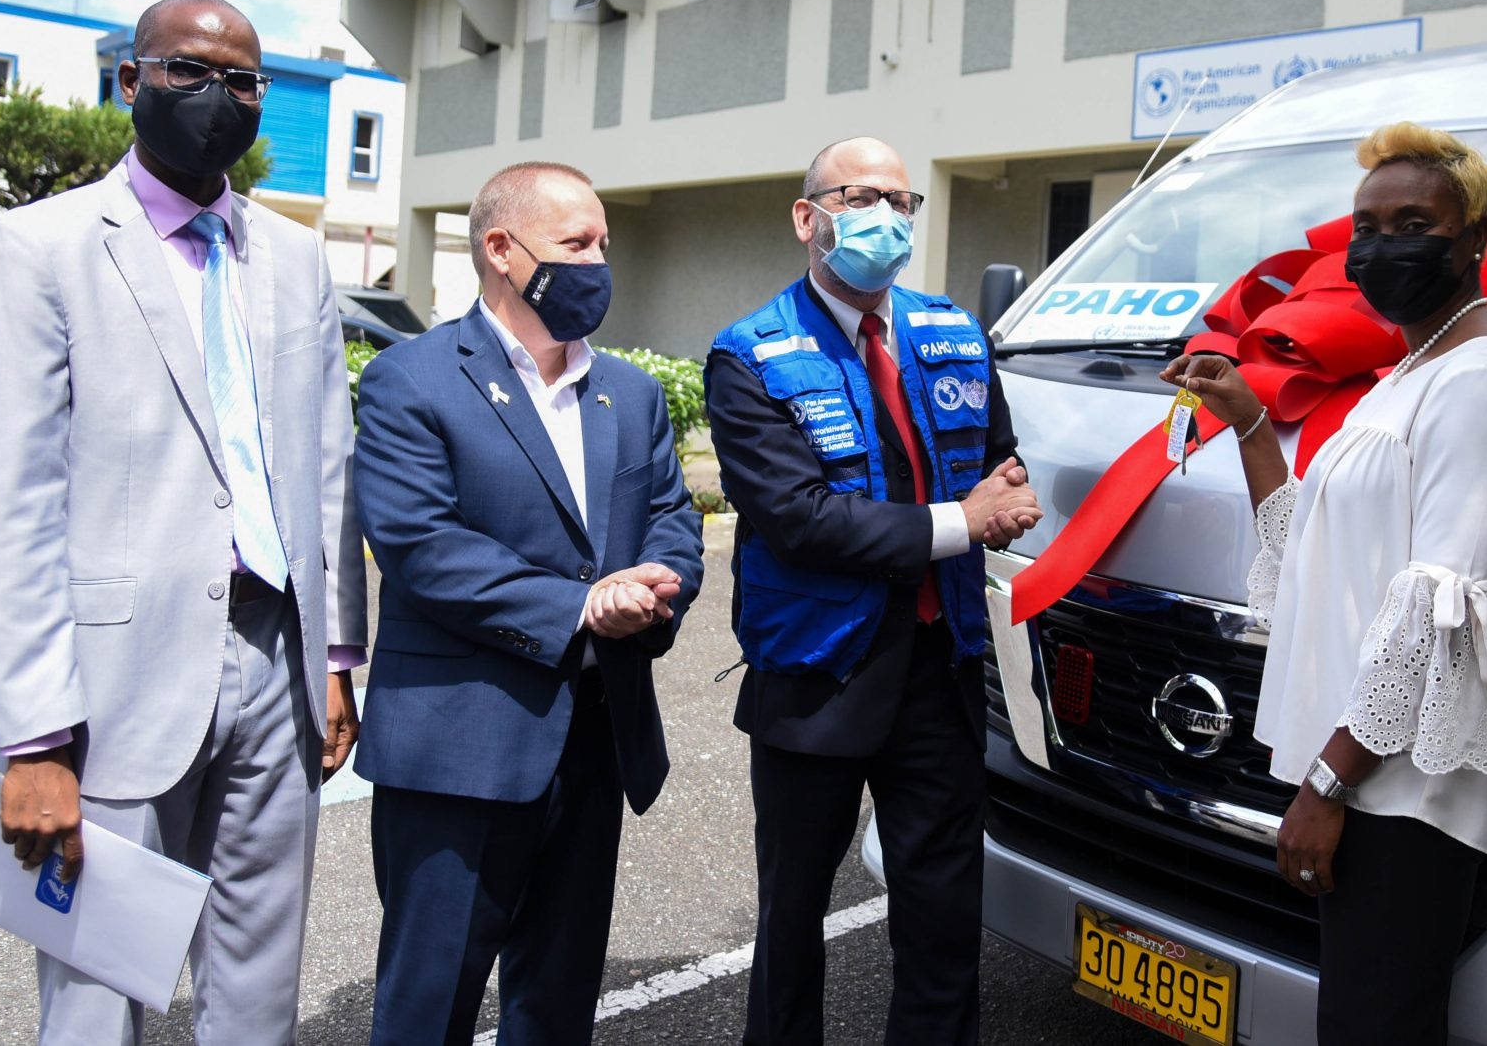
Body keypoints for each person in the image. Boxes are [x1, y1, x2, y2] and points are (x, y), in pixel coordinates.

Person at [0, 0, 368, 1044]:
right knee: (100, 993)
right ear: (130, 82)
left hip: (277, 659)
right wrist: (33, 737)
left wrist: (335, 655)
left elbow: (327, 464)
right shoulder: (37, 248)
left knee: (258, 989)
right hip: (109, 686)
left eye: (242, 80)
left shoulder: (292, 257)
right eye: (189, 71)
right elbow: (4, 504)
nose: (217, 96)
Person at [1163, 122, 1487, 1045]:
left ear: (1477, 235)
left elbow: (1441, 612)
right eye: (1365, 226)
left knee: (1374, 1024)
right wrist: (1256, 425)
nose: (1380, 246)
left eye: (1412, 221)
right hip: (1371, 773)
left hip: (1404, 792)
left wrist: (1329, 785)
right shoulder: (1408, 371)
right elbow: (1316, 559)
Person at [352, 160, 703, 1046]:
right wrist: (585, 606)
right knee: (427, 1008)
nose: (597, 263)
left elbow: (670, 519)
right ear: (501, 250)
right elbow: (423, 547)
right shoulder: (412, 379)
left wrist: (657, 586)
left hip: (592, 741)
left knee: (556, 1008)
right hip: (457, 754)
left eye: (603, 244)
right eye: (575, 244)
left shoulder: (631, 390)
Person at [706, 137, 1043, 1046]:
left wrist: (997, 503)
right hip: (818, 674)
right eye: (863, 195)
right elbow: (800, 518)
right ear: (808, 217)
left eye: (903, 200)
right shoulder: (749, 354)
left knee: (942, 923)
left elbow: (1000, 465)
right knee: (792, 923)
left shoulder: (951, 332)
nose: (887, 218)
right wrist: (962, 522)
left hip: (941, 671)